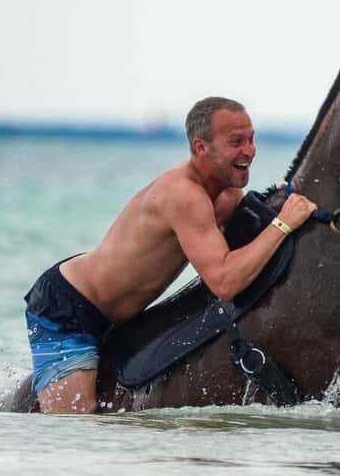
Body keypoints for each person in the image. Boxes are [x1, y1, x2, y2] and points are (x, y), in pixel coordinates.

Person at [23, 96, 317, 414]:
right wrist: (284, 223)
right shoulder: (183, 195)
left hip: (117, 315)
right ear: (201, 147)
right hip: (67, 309)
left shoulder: (227, 193)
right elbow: (224, 282)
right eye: (236, 142)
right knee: (73, 428)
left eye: (251, 139)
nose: (249, 151)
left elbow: (249, 247)